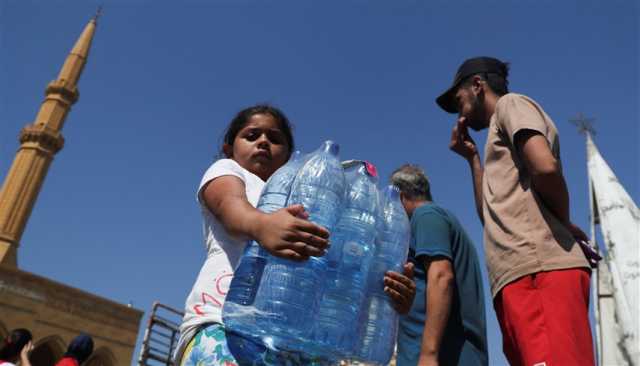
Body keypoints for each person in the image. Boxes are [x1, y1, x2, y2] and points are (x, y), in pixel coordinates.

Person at [174, 104, 416, 365]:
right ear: (228, 148)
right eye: (252, 135)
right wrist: (261, 225)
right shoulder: (230, 172)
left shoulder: (312, 194)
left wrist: (384, 294)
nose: (264, 142)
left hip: (295, 340)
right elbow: (230, 208)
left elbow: (337, 267)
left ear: (290, 155)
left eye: (275, 138)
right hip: (223, 324)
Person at [437, 56, 595, 365]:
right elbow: (491, 215)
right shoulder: (497, 131)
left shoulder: (511, 105)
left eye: (459, 101)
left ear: (478, 86)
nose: (460, 113)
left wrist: (563, 224)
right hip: (518, 278)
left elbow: (545, 167)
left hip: (539, 271)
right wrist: (472, 159)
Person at [391, 164, 487, 366]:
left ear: (400, 197)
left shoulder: (426, 216)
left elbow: (441, 276)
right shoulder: (440, 218)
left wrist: (428, 354)